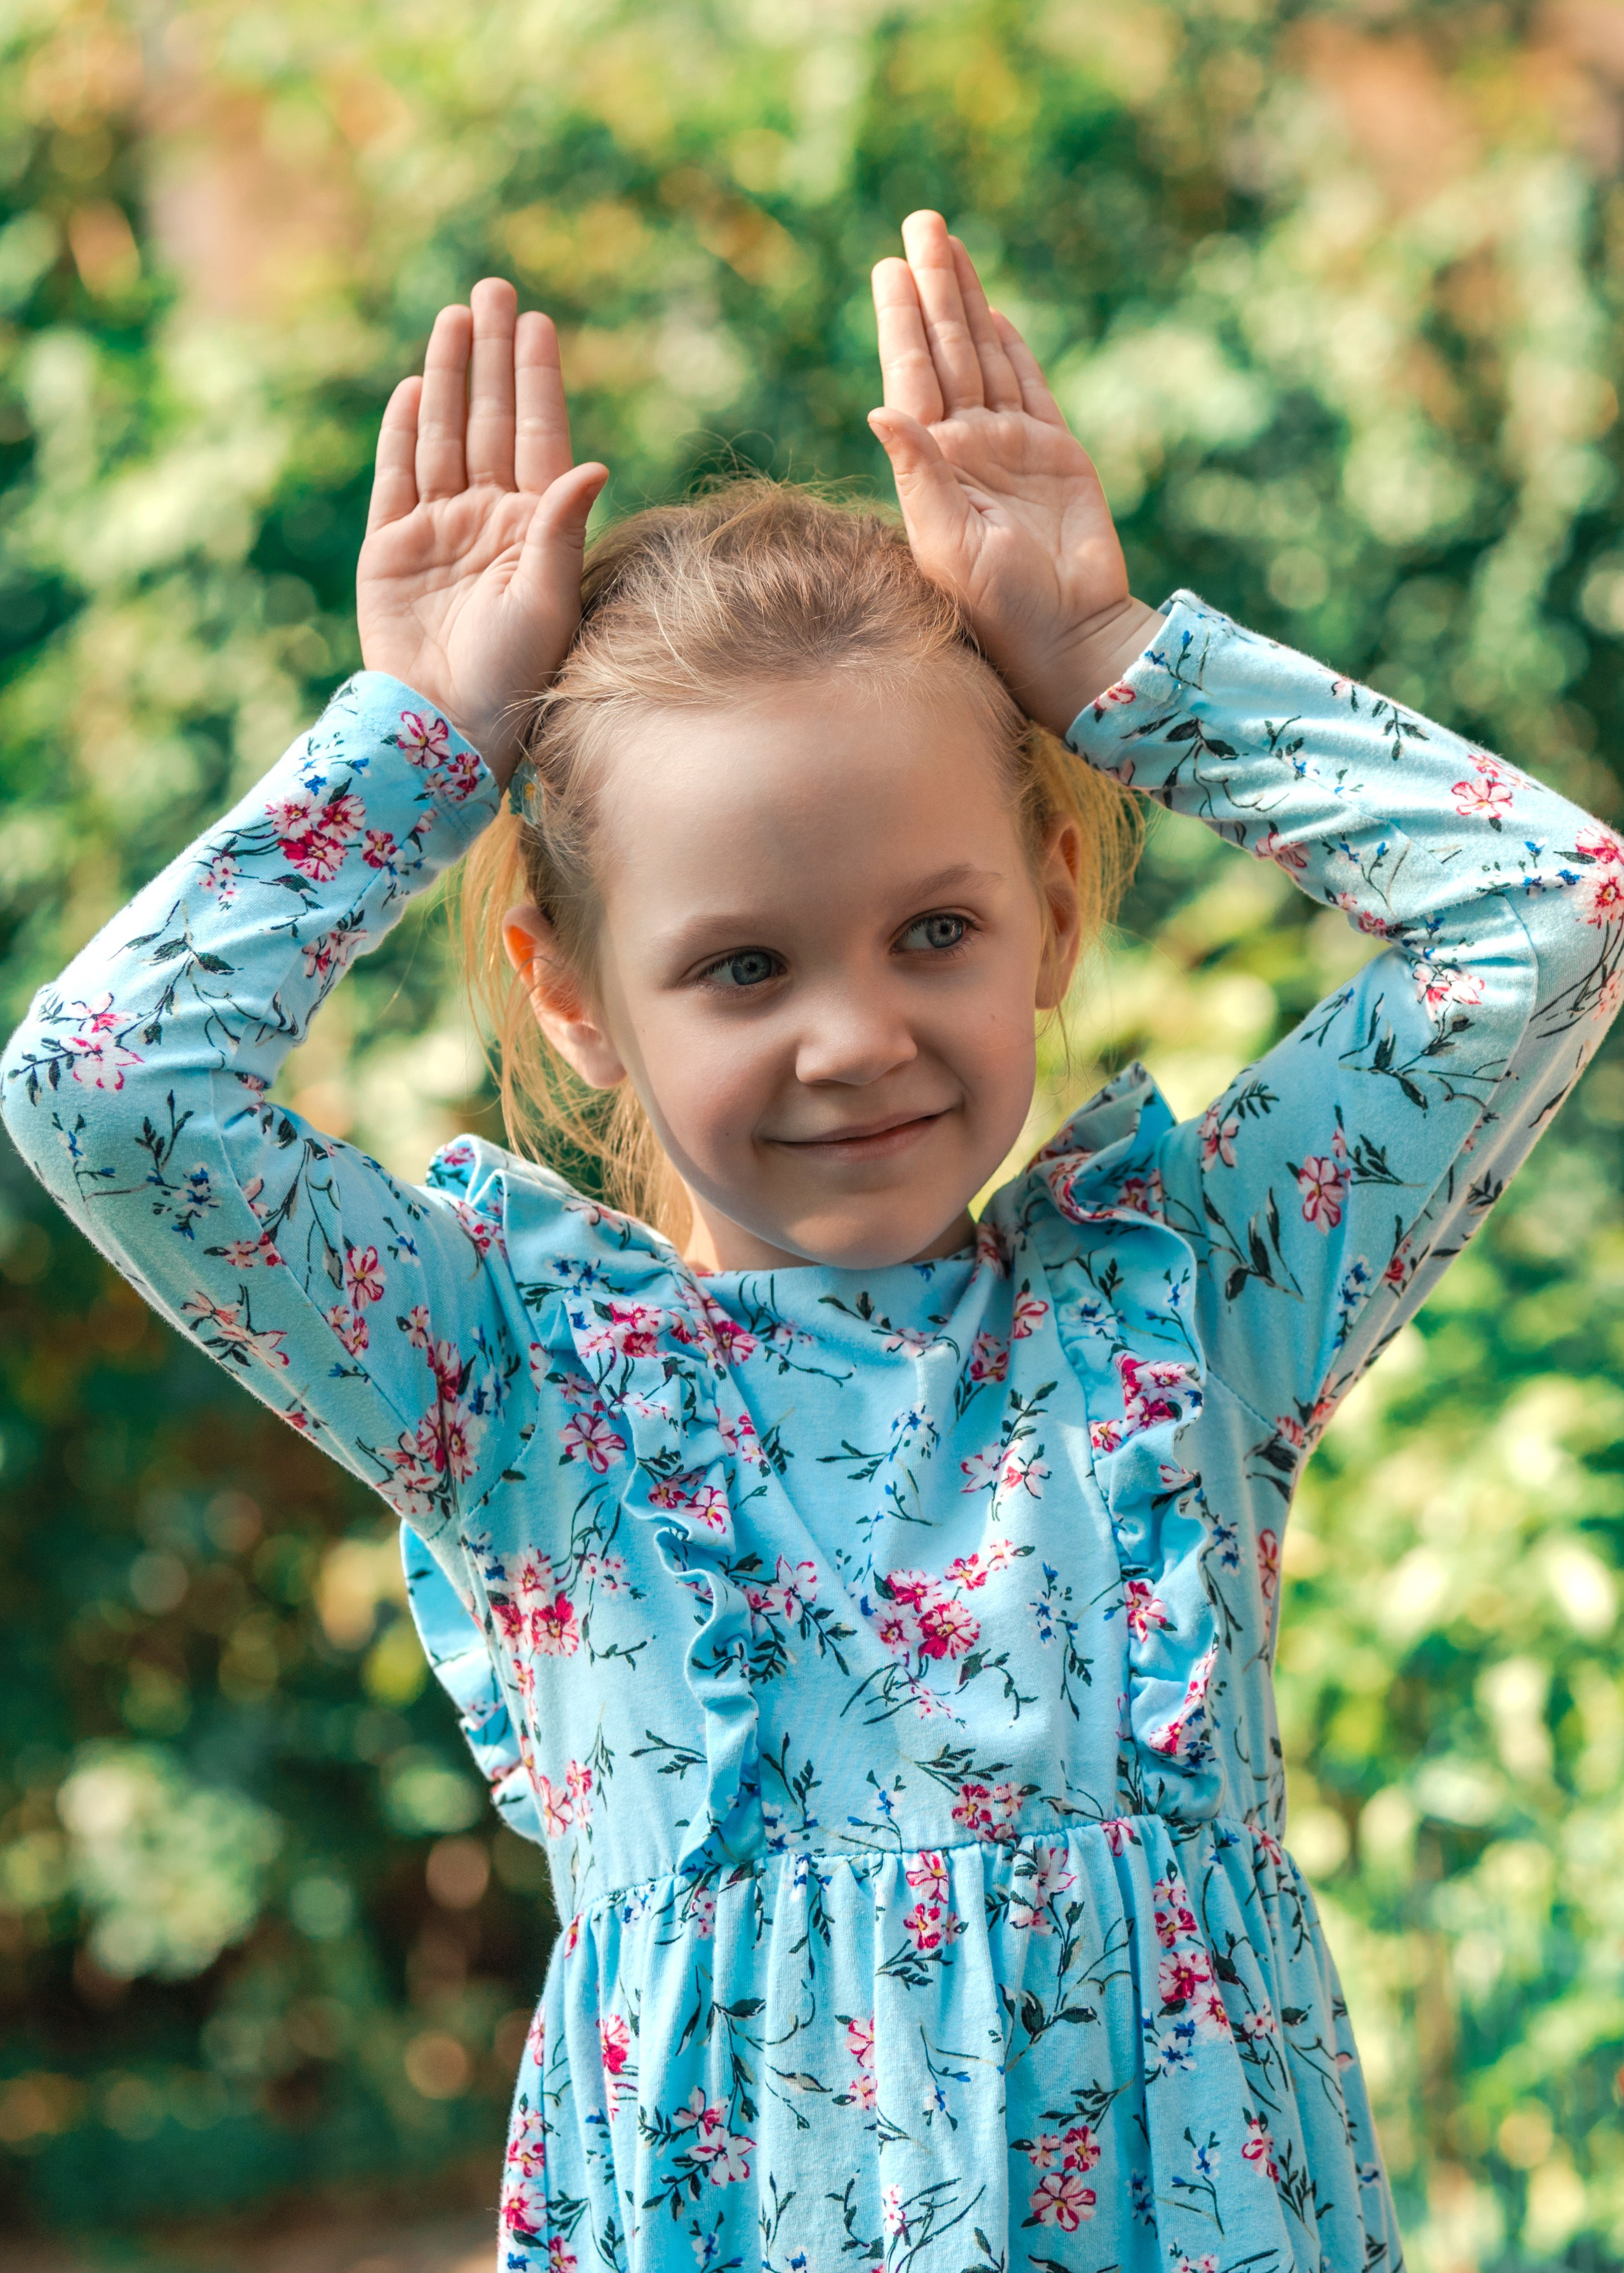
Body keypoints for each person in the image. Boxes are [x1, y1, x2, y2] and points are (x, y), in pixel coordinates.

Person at [4, 210, 1618, 2273]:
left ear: (1049, 900)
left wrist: (1118, 665)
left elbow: (1543, 913)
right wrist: (415, 740)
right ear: (573, 993)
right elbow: (103, 1088)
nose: (857, 1034)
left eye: (934, 929)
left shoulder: (1190, 1298)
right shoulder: (511, 1384)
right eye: (742, 965)